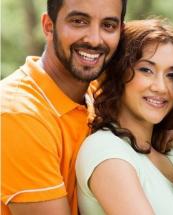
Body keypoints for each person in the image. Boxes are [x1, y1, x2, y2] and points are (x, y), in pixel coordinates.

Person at [0, 0, 127, 214]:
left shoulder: (96, 96)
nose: (95, 40)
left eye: (108, 26)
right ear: (49, 26)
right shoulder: (18, 114)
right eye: (79, 21)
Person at [75, 18, 173, 215]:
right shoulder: (106, 151)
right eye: (146, 70)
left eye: (171, 75)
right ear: (119, 72)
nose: (161, 87)